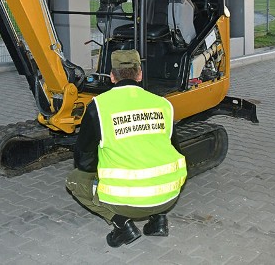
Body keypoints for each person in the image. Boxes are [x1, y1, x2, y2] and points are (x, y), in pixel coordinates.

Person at [66, 49, 187, 247]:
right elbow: (175, 149)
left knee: (74, 180)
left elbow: (84, 160)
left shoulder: (98, 106)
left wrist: (102, 168)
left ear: (112, 77)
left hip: (126, 203)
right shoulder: (163, 104)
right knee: (155, 157)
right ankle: (158, 220)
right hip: (169, 196)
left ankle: (123, 225)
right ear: (139, 74)